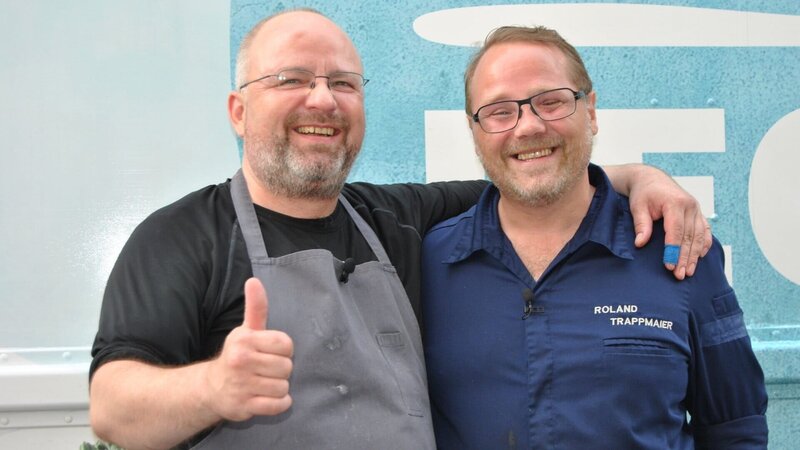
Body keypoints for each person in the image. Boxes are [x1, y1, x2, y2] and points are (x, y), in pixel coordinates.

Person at [89, 9, 711, 450]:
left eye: (343, 83)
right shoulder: (181, 237)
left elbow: (533, 177)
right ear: (238, 109)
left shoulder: (398, 218)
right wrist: (213, 387)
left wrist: (640, 176)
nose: (323, 100)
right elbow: (113, 408)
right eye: (292, 80)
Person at [421, 25, 768, 449]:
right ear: (474, 131)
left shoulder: (680, 249)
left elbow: (737, 428)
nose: (528, 127)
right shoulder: (427, 263)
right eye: (499, 111)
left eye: (551, 102)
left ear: (591, 111)